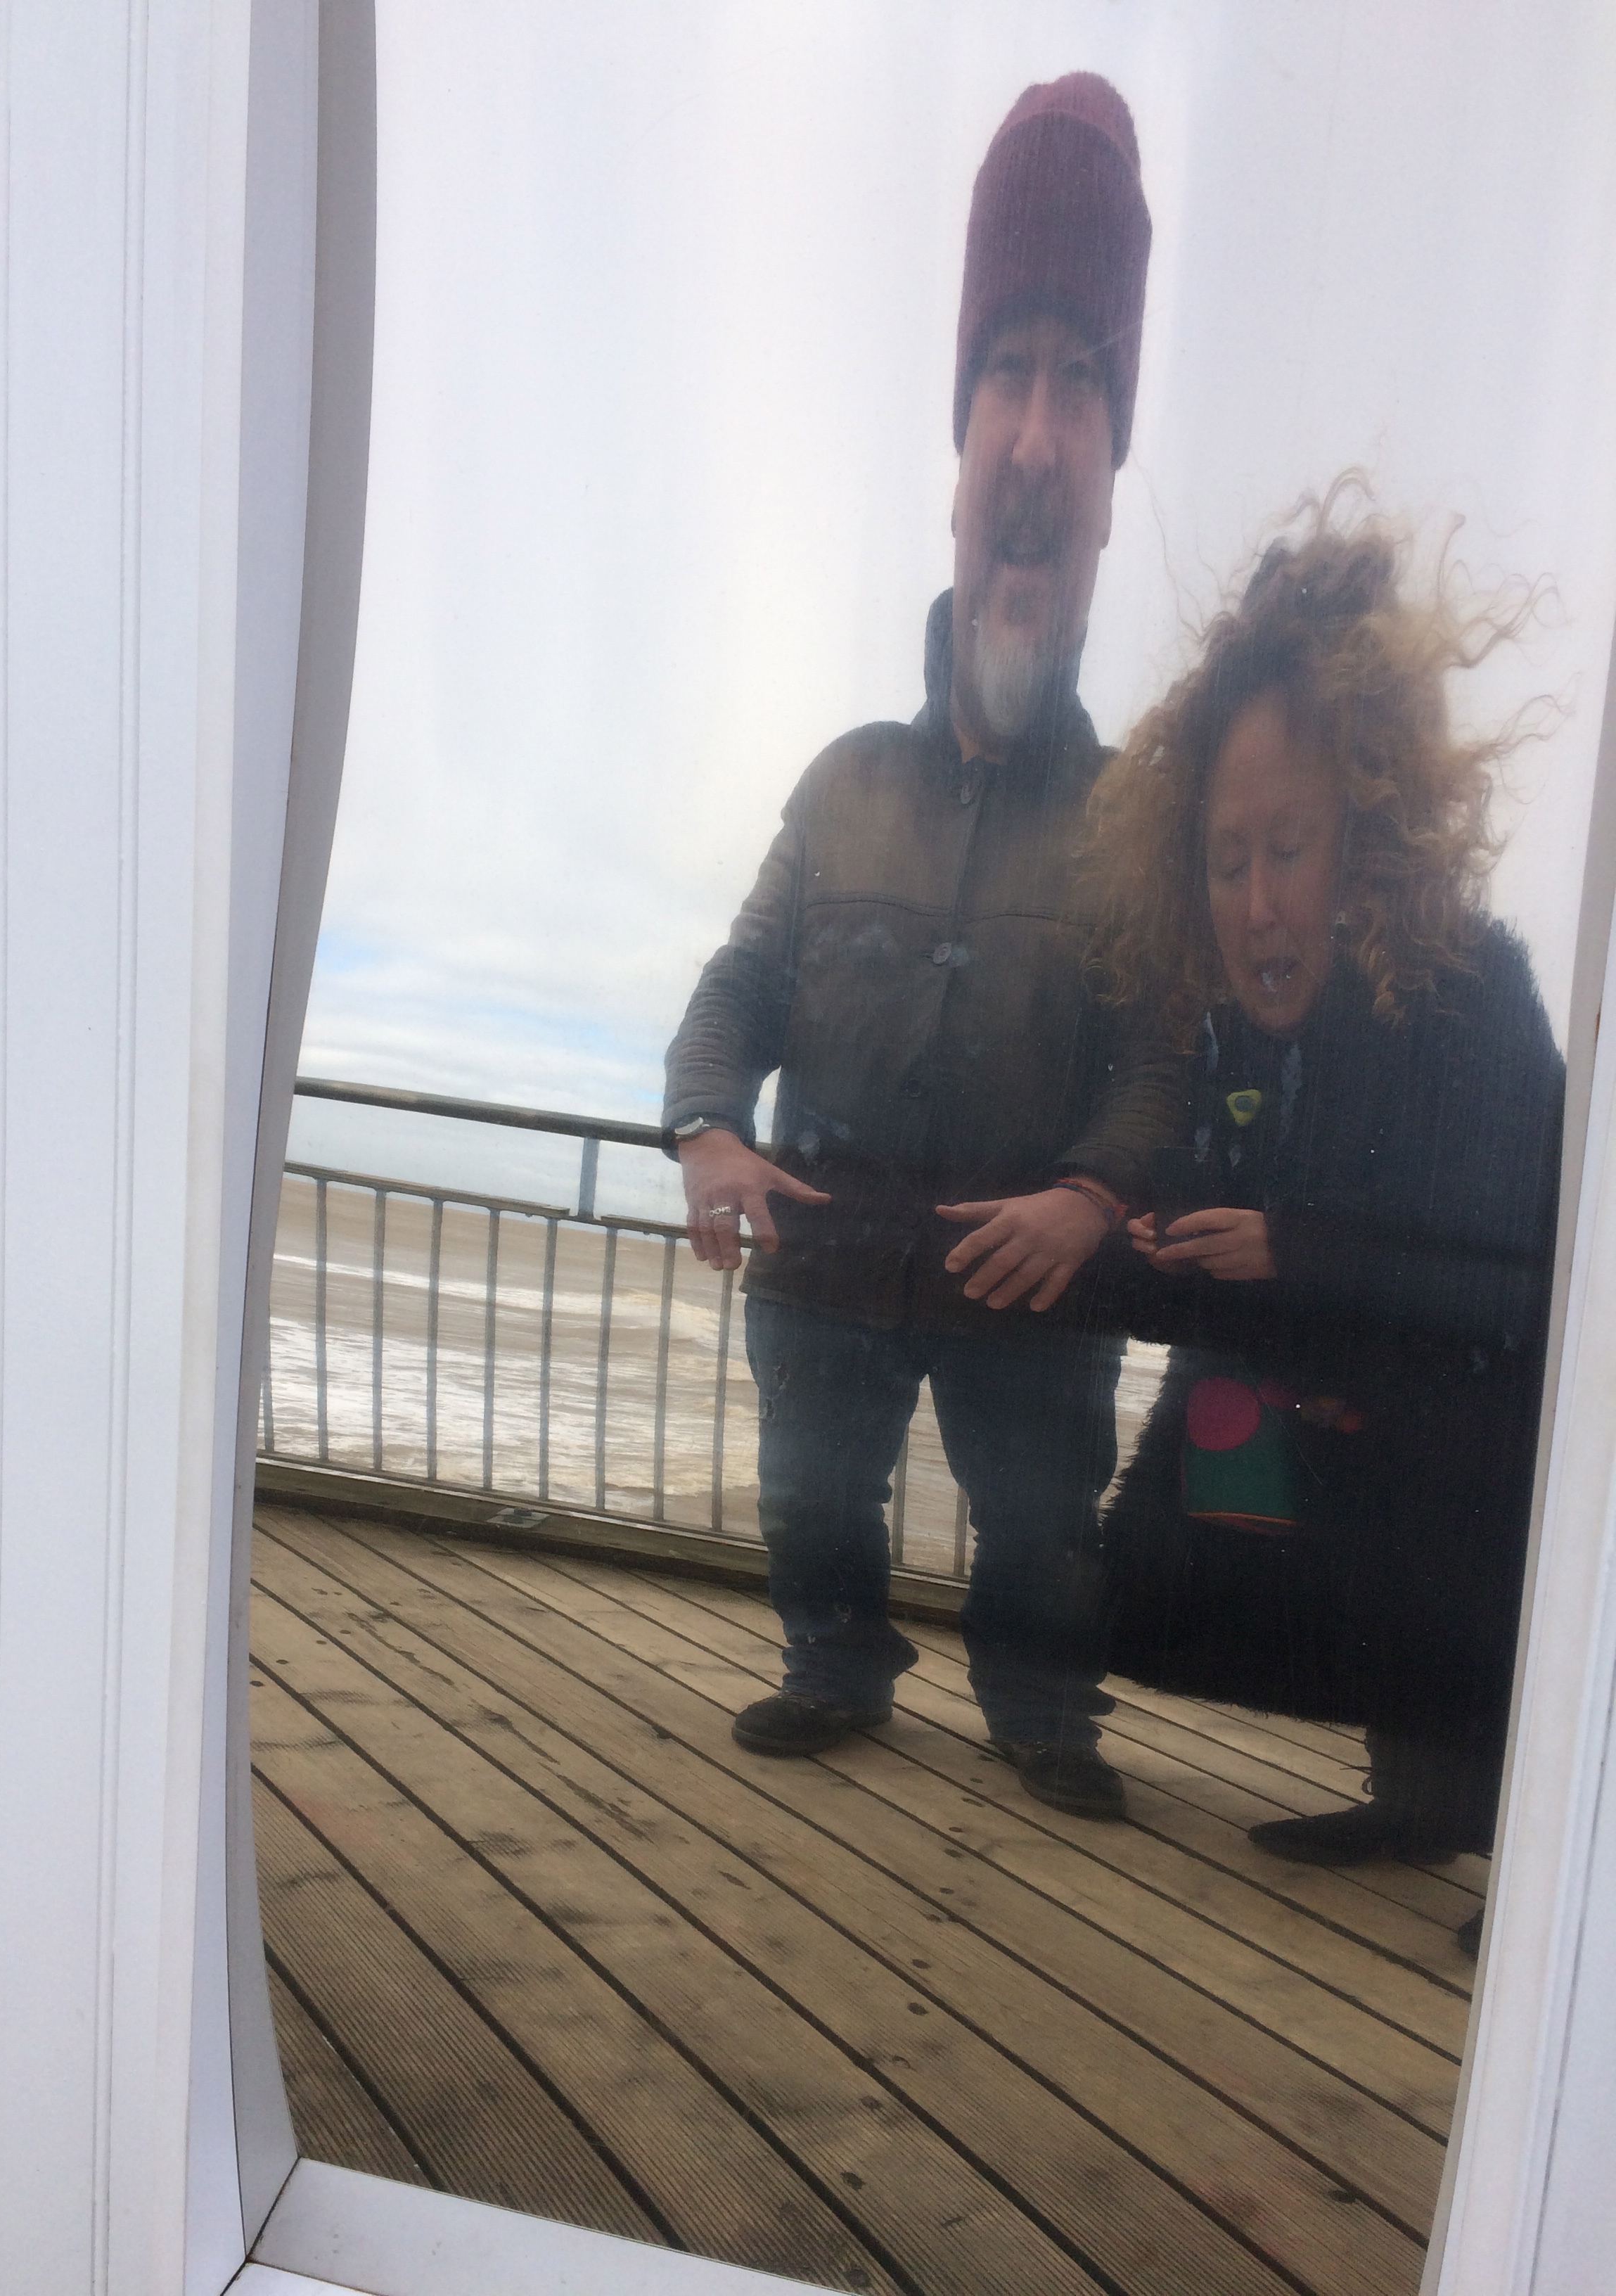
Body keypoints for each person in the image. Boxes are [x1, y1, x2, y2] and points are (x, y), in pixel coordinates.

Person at [661, 76, 1181, 1818]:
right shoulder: (842, 781)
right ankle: (833, 1664)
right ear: (956, 469)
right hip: (825, 1262)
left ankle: (1044, 1711)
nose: (1034, 441)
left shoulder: (1135, 819)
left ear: (1106, 493)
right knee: (811, 1495)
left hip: (1035, 1292)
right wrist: (704, 1128)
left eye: (1082, 384)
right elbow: (737, 988)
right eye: (1004, 379)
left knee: (1042, 1517)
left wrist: (1094, 1198)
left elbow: (1161, 1058)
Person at [1082, 495, 1563, 1928]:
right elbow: (1233, 1228)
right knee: (1148, 1564)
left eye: (1288, 849)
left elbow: (1517, 1287)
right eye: (1226, 862)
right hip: (1342, 1427)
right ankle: (1418, 1798)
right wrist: (1157, 1243)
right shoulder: (1237, 1030)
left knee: (1454, 1531)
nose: (1256, 906)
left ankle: (1527, 1870)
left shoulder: (1476, 991)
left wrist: (1297, 1255)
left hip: (1498, 1460)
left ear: (1371, 837)